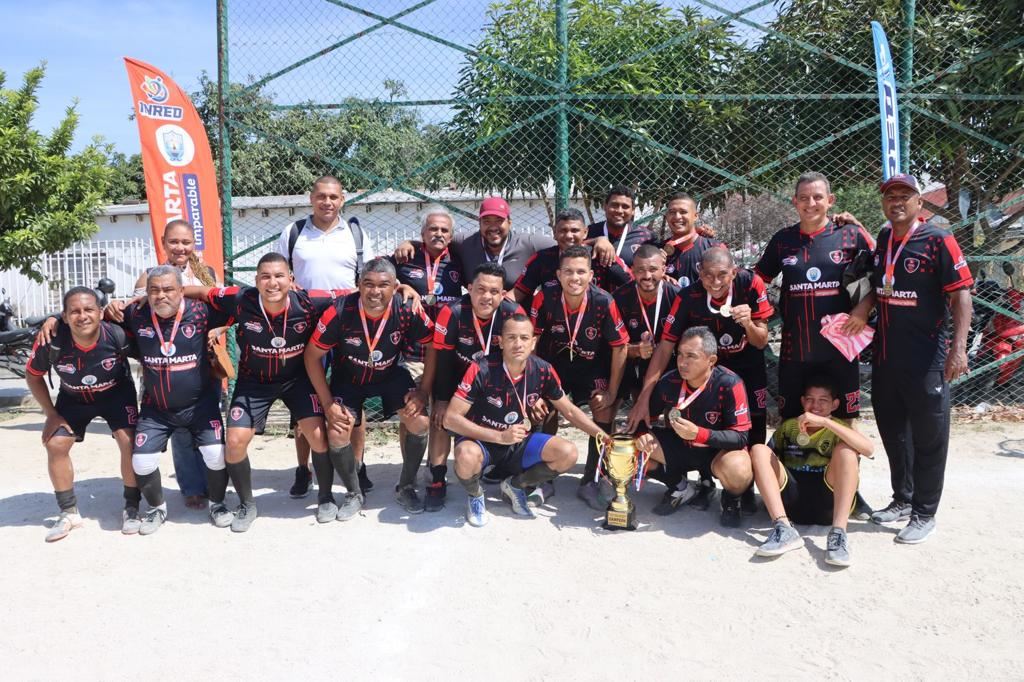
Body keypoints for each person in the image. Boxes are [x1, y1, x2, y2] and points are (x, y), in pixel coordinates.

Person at [180, 253, 346, 532]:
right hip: (253, 382)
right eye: (265, 277)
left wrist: (401, 287)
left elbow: (354, 293)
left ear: (291, 280)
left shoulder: (309, 301)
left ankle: (326, 497)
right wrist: (151, 294)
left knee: (318, 436)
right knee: (233, 442)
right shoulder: (240, 298)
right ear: (256, 280)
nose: (272, 283)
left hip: (297, 380)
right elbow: (200, 290)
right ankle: (247, 504)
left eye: (279, 276)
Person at [866, 174, 973, 544]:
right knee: (894, 432)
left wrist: (958, 349)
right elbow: (874, 284)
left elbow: (961, 295)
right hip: (885, 354)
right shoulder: (883, 238)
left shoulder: (938, 239)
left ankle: (925, 512)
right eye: (890, 196)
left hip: (927, 356)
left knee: (929, 436)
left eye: (905, 196)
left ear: (918, 203)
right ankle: (902, 499)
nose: (897, 201)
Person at [444, 313, 612, 526]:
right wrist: (499, 436)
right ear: (500, 341)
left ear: (533, 343)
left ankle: (515, 486)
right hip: (482, 441)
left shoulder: (543, 369)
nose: (518, 344)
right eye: (511, 337)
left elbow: (569, 411)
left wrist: (604, 438)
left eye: (524, 338)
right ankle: (476, 495)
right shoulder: (481, 368)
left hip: (517, 442)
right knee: (465, 456)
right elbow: (450, 419)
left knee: (568, 453)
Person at [304, 258, 435, 521]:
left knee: (419, 421)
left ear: (395, 286)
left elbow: (433, 346)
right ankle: (354, 493)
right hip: (348, 378)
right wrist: (327, 403)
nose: (375, 292)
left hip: (389, 374)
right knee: (338, 429)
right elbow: (311, 356)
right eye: (368, 284)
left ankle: (406, 486)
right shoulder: (339, 310)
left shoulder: (408, 307)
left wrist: (422, 391)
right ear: (358, 285)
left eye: (384, 285)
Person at [273, 175, 376, 499]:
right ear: (311, 198)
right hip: (304, 329)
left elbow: (371, 277)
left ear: (342, 200)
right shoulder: (293, 233)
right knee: (306, 404)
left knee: (353, 403)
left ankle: (357, 466)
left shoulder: (356, 234)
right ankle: (304, 469)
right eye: (321, 196)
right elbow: (280, 275)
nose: (327, 202)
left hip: (348, 329)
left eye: (333, 197)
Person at [116, 266, 235, 535]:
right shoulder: (135, 313)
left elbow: (239, 302)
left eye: (169, 289)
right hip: (156, 409)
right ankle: (157, 508)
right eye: (154, 290)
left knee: (216, 455)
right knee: (142, 462)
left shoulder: (200, 310)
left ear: (182, 290)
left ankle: (218, 504)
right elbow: (90, 317)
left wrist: (202, 293)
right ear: (145, 294)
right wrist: (56, 321)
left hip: (200, 405)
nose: (161, 296)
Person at [754, 172, 874, 424]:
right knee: (792, 421)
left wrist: (863, 308)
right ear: (794, 202)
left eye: (818, 197)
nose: (811, 204)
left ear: (830, 200)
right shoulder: (782, 240)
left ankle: (844, 464)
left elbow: (882, 276)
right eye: (804, 198)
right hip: (795, 349)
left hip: (841, 347)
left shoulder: (850, 235)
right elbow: (757, 280)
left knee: (844, 421)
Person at [25, 287, 140, 541]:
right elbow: (33, 376)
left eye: (89, 309)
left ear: (100, 313)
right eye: (74, 311)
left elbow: (151, 354)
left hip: (116, 395)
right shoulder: (52, 340)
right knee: (55, 443)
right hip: (73, 398)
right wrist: (51, 413)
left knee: (129, 441)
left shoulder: (117, 334)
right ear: (64, 316)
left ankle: (132, 508)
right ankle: (69, 513)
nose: (82, 316)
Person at [528, 245, 629, 509]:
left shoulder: (604, 301)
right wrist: (534, 388)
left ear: (591, 275)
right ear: (559, 275)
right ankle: (544, 478)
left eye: (581, 272)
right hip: (554, 365)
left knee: (603, 408)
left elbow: (620, 347)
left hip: (592, 368)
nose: (575, 278)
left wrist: (612, 392)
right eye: (569, 272)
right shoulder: (544, 297)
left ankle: (591, 479)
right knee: (543, 411)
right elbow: (533, 341)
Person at [633, 327, 753, 528]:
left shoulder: (730, 383)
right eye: (679, 354)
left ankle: (731, 500)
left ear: (711, 360)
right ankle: (679, 487)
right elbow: (643, 421)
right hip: (680, 448)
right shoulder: (669, 381)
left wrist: (699, 434)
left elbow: (741, 437)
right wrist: (642, 434)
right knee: (629, 449)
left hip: (715, 454)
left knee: (739, 468)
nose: (682, 362)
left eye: (691, 356)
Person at [750, 375, 874, 566]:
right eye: (810, 399)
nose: (815, 405)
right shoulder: (789, 427)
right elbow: (768, 463)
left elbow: (869, 449)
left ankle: (838, 534)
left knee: (847, 451)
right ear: (802, 401)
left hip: (828, 503)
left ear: (834, 405)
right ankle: (783, 529)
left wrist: (826, 422)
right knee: (759, 450)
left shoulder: (839, 428)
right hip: (791, 502)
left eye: (823, 400)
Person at [430, 263, 525, 511]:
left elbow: (523, 355)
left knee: (519, 417)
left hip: (495, 383)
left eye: (494, 291)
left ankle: (503, 468)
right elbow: (442, 358)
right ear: (469, 288)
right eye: (481, 289)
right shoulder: (451, 312)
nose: (487, 296)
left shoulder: (513, 313)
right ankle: (437, 480)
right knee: (440, 420)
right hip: (456, 378)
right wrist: (441, 399)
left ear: (503, 294)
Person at [391, 205, 463, 488]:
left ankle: (436, 471)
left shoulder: (459, 260)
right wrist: (398, 285)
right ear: (422, 233)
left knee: (440, 413)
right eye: (433, 229)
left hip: (447, 351)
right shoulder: (405, 256)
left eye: (445, 230)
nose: (439, 234)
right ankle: (409, 471)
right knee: (413, 412)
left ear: (451, 236)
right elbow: (372, 274)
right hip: (414, 351)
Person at [394, 196, 555, 291]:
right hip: (474, 324)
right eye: (486, 221)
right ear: (479, 223)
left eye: (499, 221)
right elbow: (437, 240)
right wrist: (410, 243)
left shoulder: (528, 243)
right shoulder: (465, 242)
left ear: (510, 223)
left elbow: (562, 247)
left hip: (515, 326)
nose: (493, 227)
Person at [609, 244, 681, 415]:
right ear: (632, 270)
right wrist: (634, 350)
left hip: (671, 362)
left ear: (664, 269)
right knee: (607, 409)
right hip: (633, 363)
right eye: (640, 270)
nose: (647, 276)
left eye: (653, 269)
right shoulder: (618, 298)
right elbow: (610, 345)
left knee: (673, 415)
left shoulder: (678, 296)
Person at [514, 207, 631, 304]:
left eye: (575, 230)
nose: (569, 236)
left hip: (595, 324)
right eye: (563, 230)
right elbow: (517, 294)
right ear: (554, 233)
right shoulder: (542, 259)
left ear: (585, 233)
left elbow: (633, 284)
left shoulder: (601, 255)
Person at [658, 192, 723, 288]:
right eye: (672, 212)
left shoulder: (715, 248)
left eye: (683, 212)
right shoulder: (657, 251)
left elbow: (729, 284)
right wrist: (656, 277)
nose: (677, 216)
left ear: (695, 216)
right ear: (666, 216)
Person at [586, 185, 655, 271]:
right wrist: (596, 240)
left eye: (625, 206)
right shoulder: (591, 231)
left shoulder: (646, 236)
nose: (619, 210)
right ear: (605, 206)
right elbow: (571, 248)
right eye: (614, 205)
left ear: (633, 210)